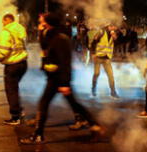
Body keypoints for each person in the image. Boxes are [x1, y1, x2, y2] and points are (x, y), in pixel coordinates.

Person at [20, 13, 104, 144]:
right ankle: (95, 126)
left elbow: (65, 62)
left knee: (44, 104)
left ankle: (38, 135)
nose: (39, 23)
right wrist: (41, 33)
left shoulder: (60, 38)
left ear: (48, 23)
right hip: (54, 77)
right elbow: (44, 48)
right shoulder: (50, 34)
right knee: (73, 104)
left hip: (58, 78)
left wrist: (64, 83)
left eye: (42, 21)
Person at [0, 14, 28, 125]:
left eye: (3, 21)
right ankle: (19, 111)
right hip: (23, 63)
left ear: (6, 20)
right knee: (15, 88)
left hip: (12, 64)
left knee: (11, 90)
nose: (2, 24)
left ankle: (15, 116)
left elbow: (4, 50)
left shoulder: (6, 32)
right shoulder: (20, 30)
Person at [90, 24, 119, 98]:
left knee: (111, 75)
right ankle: (93, 89)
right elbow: (93, 42)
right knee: (96, 74)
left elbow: (118, 42)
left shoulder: (113, 34)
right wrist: (93, 53)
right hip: (98, 57)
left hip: (107, 58)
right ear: (110, 26)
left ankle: (113, 92)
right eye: (113, 26)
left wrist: (114, 36)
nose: (115, 28)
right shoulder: (101, 32)